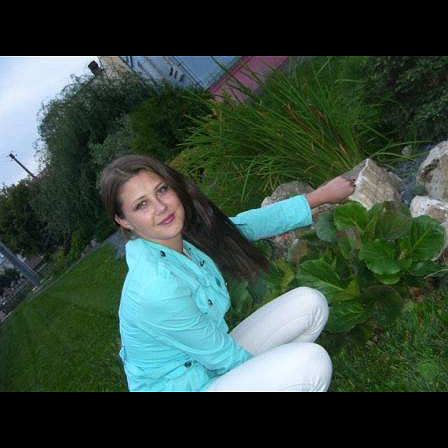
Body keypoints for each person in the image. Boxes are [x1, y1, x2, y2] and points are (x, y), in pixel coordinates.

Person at [100, 154, 355, 392]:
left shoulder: (180, 237)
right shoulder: (157, 287)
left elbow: (245, 226)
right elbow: (225, 358)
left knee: (310, 303)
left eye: (162, 190)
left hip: (207, 366)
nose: (160, 207)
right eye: (142, 204)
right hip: (190, 384)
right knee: (312, 364)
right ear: (124, 220)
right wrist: (271, 371)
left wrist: (320, 197)